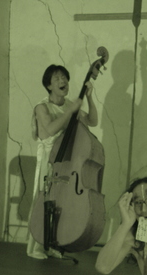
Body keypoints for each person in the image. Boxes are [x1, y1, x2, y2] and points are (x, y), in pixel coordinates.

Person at [26, 64, 98, 259]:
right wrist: (70, 112)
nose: (62, 81)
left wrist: (89, 98)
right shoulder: (42, 107)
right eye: (57, 78)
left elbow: (92, 121)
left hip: (66, 160)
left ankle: (52, 244)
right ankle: (35, 246)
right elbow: (50, 129)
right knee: (44, 199)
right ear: (49, 85)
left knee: (61, 202)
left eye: (64, 77)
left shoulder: (69, 105)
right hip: (49, 159)